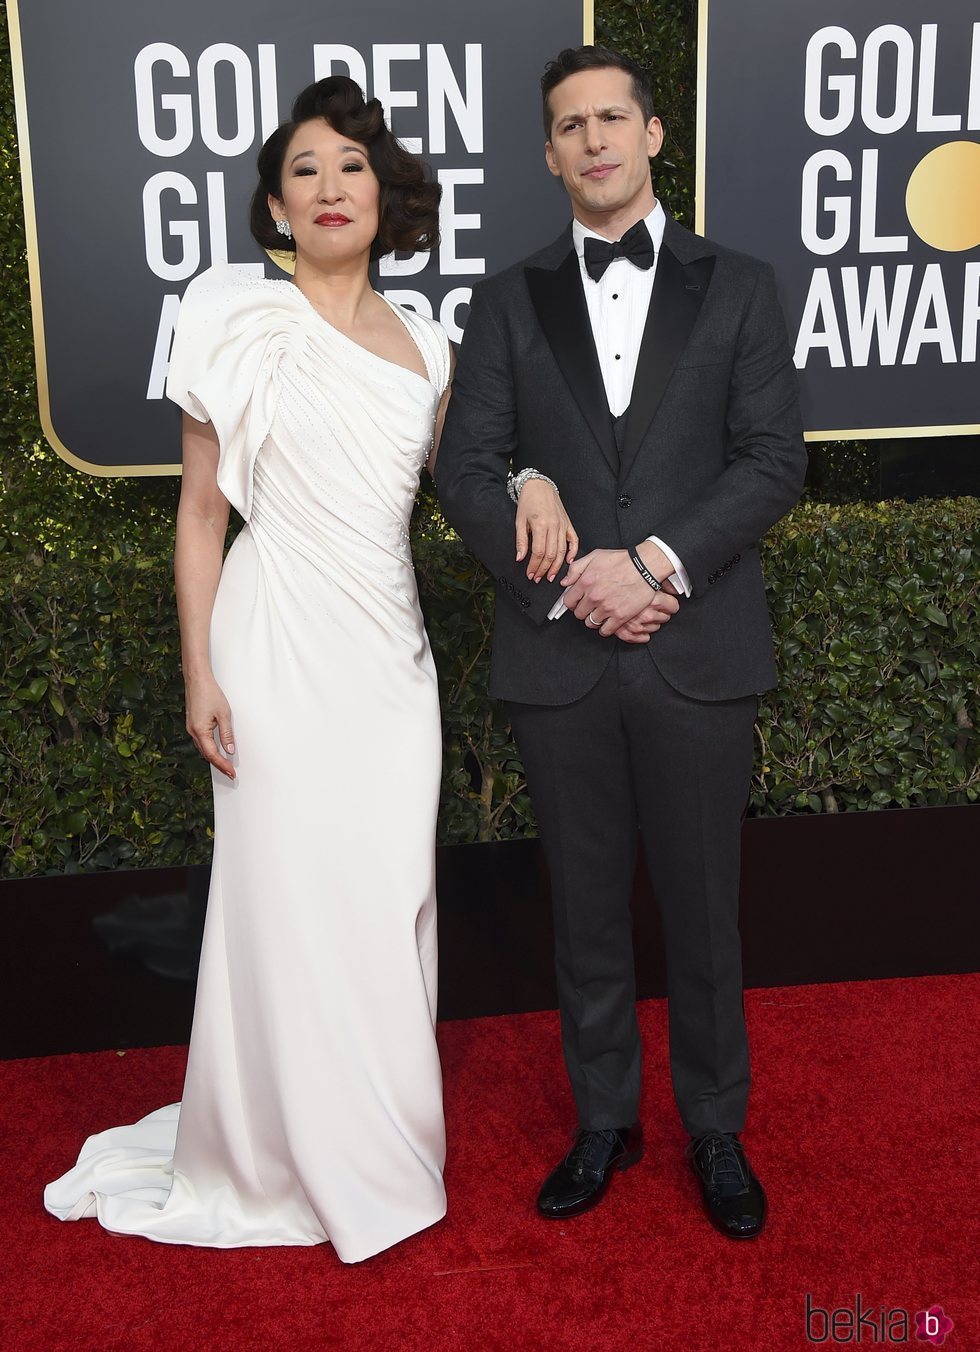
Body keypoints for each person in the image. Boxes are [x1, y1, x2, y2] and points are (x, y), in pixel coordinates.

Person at [45, 77, 454, 1263]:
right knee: (282, 899)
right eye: (306, 172)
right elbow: (199, 515)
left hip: (389, 653)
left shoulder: (429, 339)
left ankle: (376, 1135)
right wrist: (198, 672)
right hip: (270, 643)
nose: (331, 188)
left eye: (352, 167)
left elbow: (459, 489)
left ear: (386, 196)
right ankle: (274, 1150)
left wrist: (531, 483)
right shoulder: (228, 313)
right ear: (274, 207)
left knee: (384, 897)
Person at [436, 46, 807, 1239]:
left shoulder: (740, 284)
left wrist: (652, 565)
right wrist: (565, 576)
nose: (592, 138)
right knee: (583, 908)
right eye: (568, 124)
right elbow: (466, 466)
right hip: (560, 651)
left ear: (652, 135)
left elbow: (769, 459)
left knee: (704, 909)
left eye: (611, 116)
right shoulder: (501, 298)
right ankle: (604, 1116)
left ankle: (713, 1122)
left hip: (694, 641)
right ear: (547, 154)